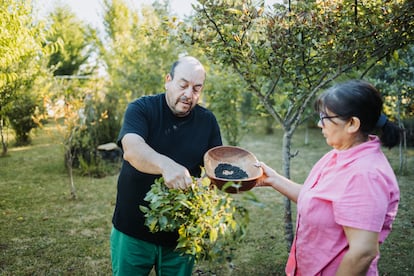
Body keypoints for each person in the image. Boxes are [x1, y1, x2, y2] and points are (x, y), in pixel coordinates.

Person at [255, 80, 401, 275]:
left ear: (352, 124)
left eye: (325, 117)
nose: (319, 124)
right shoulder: (338, 154)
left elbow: (362, 252)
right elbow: (317, 201)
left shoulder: (366, 175)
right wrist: (273, 179)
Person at [110, 56, 222, 276]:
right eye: (183, 85)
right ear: (168, 80)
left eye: (196, 89)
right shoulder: (142, 108)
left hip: (181, 236)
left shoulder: (207, 121)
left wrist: (208, 185)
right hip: (132, 230)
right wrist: (165, 165)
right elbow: (132, 149)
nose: (189, 94)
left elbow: (213, 169)